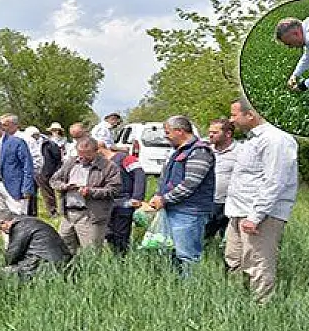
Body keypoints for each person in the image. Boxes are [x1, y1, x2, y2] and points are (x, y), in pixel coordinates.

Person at [225, 99, 298, 303]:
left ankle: (260, 308)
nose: (231, 120)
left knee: (258, 264)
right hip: (239, 211)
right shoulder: (253, 140)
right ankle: (235, 305)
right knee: (235, 260)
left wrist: (255, 217)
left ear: (251, 115)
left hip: (260, 216)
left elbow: (274, 181)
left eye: (234, 115)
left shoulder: (276, 139)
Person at [149, 115, 215, 277]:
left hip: (189, 212)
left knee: (187, 257)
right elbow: (166, 179)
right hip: (174, 210)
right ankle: (176, 290)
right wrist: (158, 195)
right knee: (171, 255)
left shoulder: (199, 151)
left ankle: (190, 293)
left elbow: (190, 183)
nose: (166, 137)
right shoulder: (178, 152)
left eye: (168, 133)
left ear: (180, 131)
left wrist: (164, 199)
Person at [50, 137, 121, 254]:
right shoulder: (71, 162)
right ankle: (68, 271)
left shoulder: (108, 166)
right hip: (68, 214)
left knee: (91, 252)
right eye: (80, 153)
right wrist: (65, 186)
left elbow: (114, 189)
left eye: (87, 154)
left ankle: (91, 272)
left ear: (96, 151)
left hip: (91, 215)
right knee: (64, 249)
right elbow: (54, 180)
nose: (82, 157)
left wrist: (90, 192)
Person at [0, 209, 72, 281]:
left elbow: (13, 254)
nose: (0, 230)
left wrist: (2, 264)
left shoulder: (20, 227)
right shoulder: (30, 221)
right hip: (60, 261)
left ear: (4, 222)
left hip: (44, 264)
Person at [0, 119, 34, 217]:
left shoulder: (17, 142)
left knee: (18, 219)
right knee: (0, 219)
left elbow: (27, 166)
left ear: (0, 128)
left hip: (15, 187)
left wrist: (27, 188)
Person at [99, 141, 146, 254]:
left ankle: (122, 259)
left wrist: (137, 197)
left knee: (121, 234)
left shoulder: (125, 158)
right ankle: (115, 256)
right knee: (108, 233)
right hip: (107, 202)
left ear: (99, 149)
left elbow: (139, 174)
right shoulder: (101, 162)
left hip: (124, 201)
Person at [204, 118, 239, 241]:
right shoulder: (206, 151)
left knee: (229, 239)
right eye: (210, 132)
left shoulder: (240, 151)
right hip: (208, 201)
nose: (210, 135)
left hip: (230, 203)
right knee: (204, 236)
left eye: (215, 132)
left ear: (228, 134)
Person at [38, 127, 64, 217]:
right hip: (51, 168)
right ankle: (54, 210)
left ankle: (54, 211)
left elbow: (54, 157)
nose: (54, 132)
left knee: (50, 191)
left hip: (49, 169)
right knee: (50, 191)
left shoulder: (49, 143)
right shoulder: (49, 143)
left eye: (55, 130)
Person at [24, 126, 45, 216]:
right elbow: (36, 157)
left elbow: (38, 158)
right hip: (29, 172)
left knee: (32, 195)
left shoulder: (38, 141)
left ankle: (32, 213)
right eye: (34, 135)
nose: (36, 136)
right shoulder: (29, 140)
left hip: (34, 172)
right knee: (29, 195)